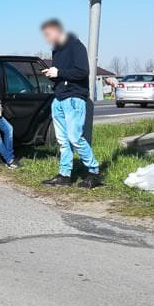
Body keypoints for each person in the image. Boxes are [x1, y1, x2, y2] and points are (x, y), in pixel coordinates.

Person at [39, 18, 102, 188]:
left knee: (74, 138)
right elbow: (63, 74)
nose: (47, 38)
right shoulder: (56, 51)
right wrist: (53, 75)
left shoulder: (75, 45)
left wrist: (59, 72)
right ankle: (64, 175)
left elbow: (83, 72)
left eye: (48, 34)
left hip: (74, 98)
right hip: (58, 98)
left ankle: (94, 172)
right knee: (63, 141)